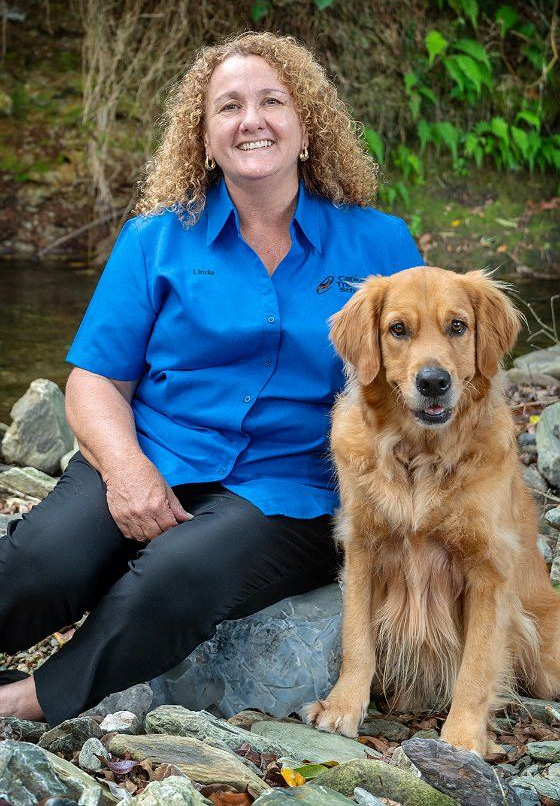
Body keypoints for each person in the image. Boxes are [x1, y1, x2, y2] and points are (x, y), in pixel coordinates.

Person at [0, 31, 423, 727]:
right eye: (227, 107)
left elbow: (420, 380)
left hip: (294, 489)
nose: (250, 120)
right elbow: (95, 382)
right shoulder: (154, 239)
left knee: (170, 581)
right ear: (202, 138)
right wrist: (127, 470)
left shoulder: (379, 245)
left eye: (271, 102)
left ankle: (31, 698)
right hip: (155, 452)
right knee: (37, 565)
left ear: (306, 128)